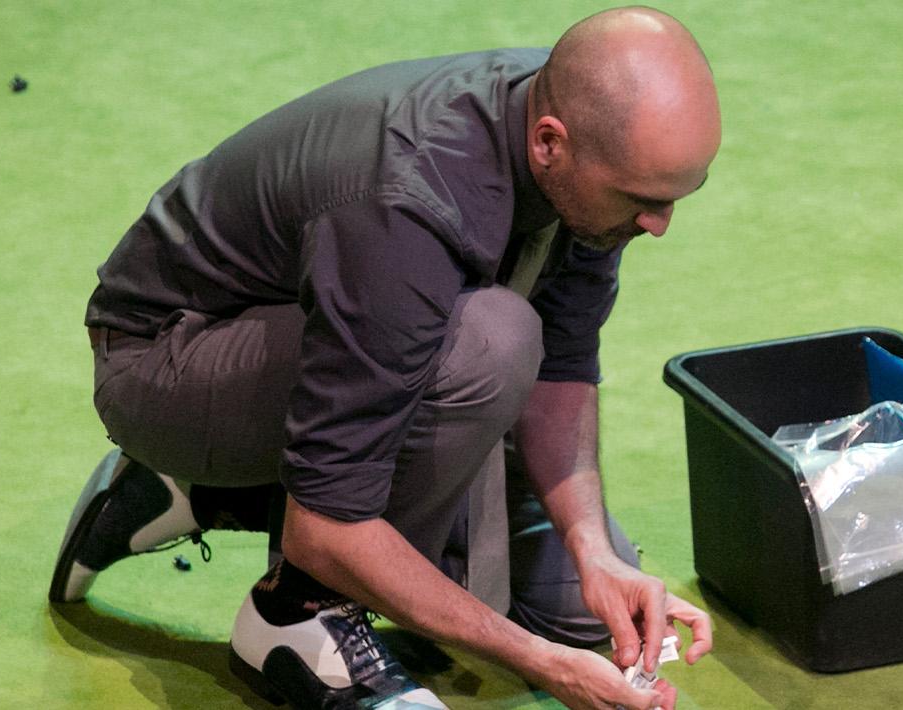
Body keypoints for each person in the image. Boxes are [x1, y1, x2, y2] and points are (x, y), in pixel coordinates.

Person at [47, 7, 719, 709]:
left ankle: (211, 493)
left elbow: (563, 367)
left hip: (343, 340)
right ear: (550, 142)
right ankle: (296, 614)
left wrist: (596, 553)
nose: (659, 224)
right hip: (167, 359)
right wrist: (544, 664)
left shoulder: (586, 134)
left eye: (676, 197)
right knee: (490, 341)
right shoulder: (409, 204)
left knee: (579, 609)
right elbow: (327, 528)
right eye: (642, 200)